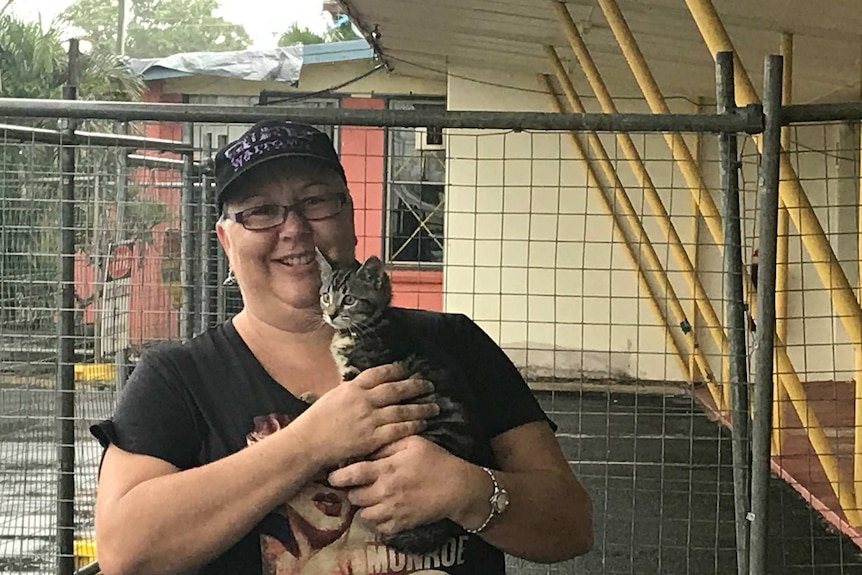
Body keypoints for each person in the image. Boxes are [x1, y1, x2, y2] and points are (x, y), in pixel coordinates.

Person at [91, 120, 593, 575]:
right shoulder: (178, 378)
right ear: (226, 240)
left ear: (349, 215)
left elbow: (571, 526)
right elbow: (124, 553)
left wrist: (467, 490)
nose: (294, 229)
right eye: (262, 212)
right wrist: (310, 441)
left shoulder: (454, 344)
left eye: (316, 201)